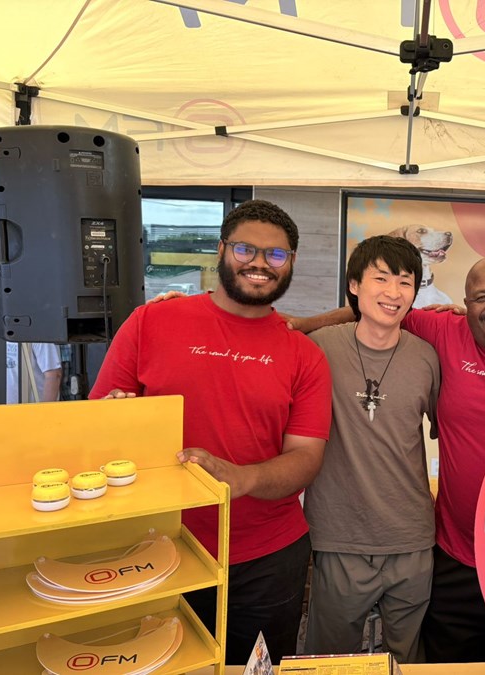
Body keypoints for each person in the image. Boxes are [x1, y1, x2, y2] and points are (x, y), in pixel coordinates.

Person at [291, 256, 485, 663]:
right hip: (455, 553)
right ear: (466, 303)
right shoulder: (445, 330)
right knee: (447, 665)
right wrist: (300, 324)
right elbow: (380, 310)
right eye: (481, 298)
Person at [89, 199, 332, 666]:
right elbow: (97, 420)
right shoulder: (151, 322)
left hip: (266, 560)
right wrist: (114, 422)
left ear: (291, 262)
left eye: (275, 254)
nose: (259, 263)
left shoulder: (305, 355)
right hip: (155, 546)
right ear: (221, 250)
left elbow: (306, 457)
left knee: (255, 669)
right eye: (245, 249)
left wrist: (243, 478)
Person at [302, 235, 440, 663]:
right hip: (340, 536)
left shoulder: (427, 357)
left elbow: (446, 430)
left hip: (412, 537)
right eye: (380, 278)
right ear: (354, 285)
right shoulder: (320, 347)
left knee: (407, 659)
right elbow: (263, 328)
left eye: (405, 282)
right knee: (329, 661)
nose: (393, 292)